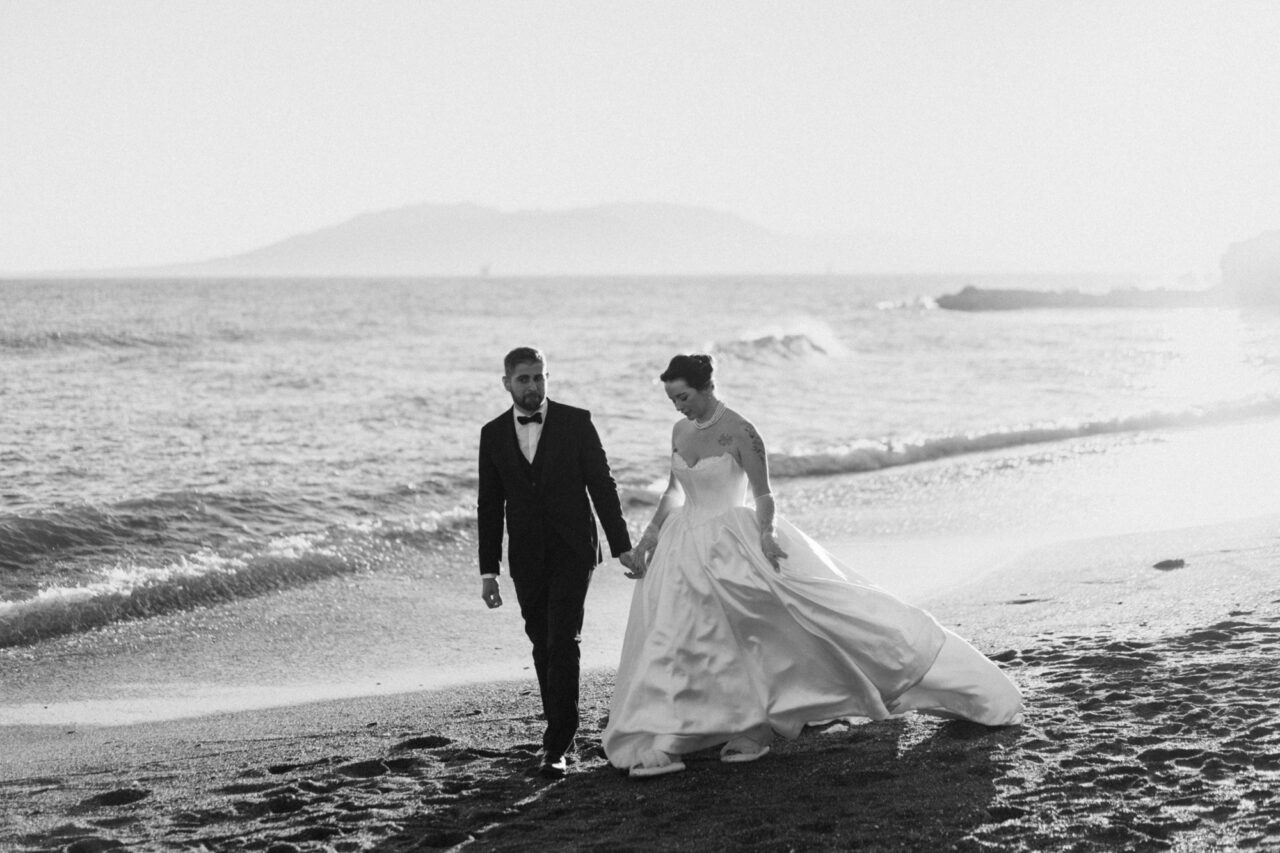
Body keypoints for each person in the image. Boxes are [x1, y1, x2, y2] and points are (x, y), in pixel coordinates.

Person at [603, 354, 1024, 778]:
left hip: (731, 542)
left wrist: (767, 533)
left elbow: (763, 494)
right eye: (672, 400)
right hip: (682, 545)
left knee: (760, 633)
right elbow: (673, 493)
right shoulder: (679, 431)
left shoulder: (742, 431)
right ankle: (674, 734)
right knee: (678, 638)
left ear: (707, 387)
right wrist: (648, 538)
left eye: (684, 397)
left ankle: (755, 728)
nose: (679, 407)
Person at [478, 346, 634, 778]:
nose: (533, 385)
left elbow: (602, 484)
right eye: (524, 378)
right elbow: (489, 506)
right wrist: (488, 572)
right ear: (506, 383)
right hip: (526, 554)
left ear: (547, 377)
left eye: (539, 377)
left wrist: (621, 545)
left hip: (573, 548)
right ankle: (559, 731)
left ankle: (557, 744)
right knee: (541, 642)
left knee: (563, 639)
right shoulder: (492, 434)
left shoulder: (576, 422)